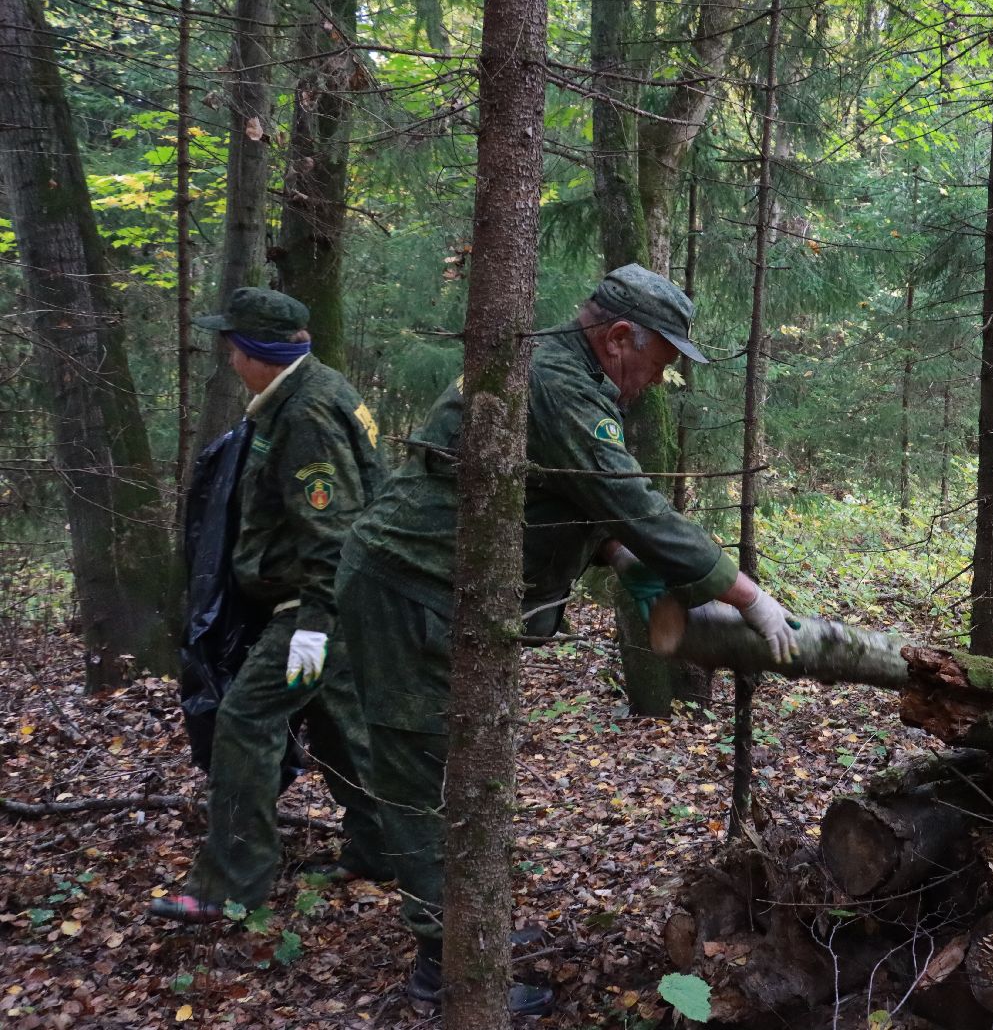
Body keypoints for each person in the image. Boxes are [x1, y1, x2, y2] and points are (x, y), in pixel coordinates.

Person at [338, 264, 798, 1015]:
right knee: (428, 770)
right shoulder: (558, 381)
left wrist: (614, 556)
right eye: (658, 362)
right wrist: (748, 595)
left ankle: (466, 933)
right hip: (406, 587)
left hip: (442, 590)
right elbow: (626, 498)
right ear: (619, 338)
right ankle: (445, 968)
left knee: (456, 764)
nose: (658, 380)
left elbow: (549, 497)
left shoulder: (558, 372)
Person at [151, 288, 392, 923]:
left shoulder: (307, 411)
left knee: (246, 719)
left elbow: (334, 532)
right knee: (341, 728)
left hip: (315, 607)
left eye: (234, 346)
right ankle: (382, 848)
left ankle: (229, 884)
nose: (229, 358)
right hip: (328, 603)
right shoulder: (303, 392)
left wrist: (314, 626)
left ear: (257, 352)